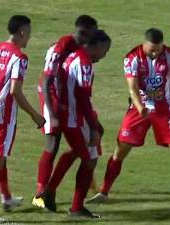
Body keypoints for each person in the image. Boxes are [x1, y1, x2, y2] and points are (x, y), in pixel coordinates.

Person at [87, 28, 170, 207]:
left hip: (163, 110)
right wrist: (141, 107)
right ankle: (104, 191)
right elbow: (132, 88)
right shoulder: (132, 57)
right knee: (120, 151)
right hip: (137, 110)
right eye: (152, 49)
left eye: (158, 49)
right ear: (144, 45)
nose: (156, 52)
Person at [0, 15, 45, 223]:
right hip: (2, 118)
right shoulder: (19, 58)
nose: (29, 38)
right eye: (29, 33)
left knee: (0, 157)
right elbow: (15, 91)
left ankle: (6, 198)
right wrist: (36, 115)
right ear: (22, 32)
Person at [41, 30, 111, 218]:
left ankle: (51, 191)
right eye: (103, 51)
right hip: (75, 117)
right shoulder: (84, 63)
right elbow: (82, 98)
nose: (103, 56)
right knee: (90, 159)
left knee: (78, 153)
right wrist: (94, 126)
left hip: (67, 113)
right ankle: (74, 206)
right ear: (95, 45)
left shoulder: (71, 55)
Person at [33, 15, 99, 207]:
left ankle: (49, 192)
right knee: (52, 143)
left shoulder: (78, 49)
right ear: (85, 30)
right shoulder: (60, 47)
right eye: (94, 31)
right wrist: (52, 114)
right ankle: (40, 193)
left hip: (64, 98)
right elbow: (47, 81)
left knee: (69, 144)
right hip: (50, 96)